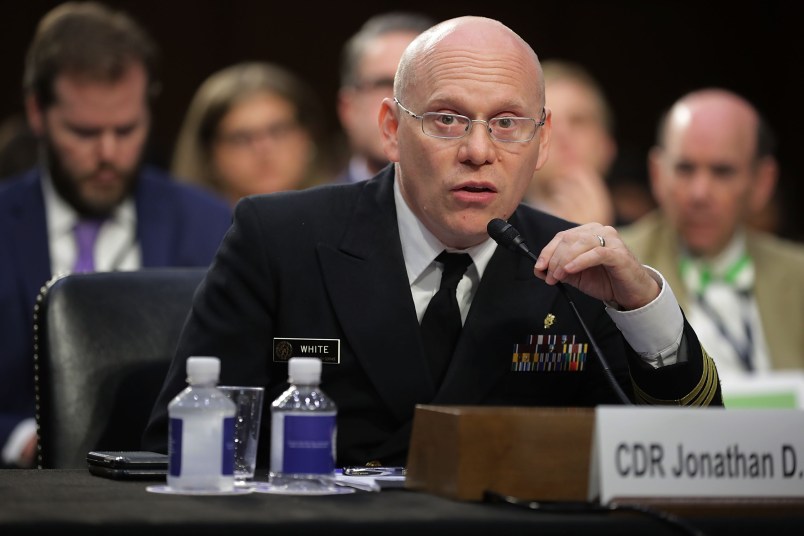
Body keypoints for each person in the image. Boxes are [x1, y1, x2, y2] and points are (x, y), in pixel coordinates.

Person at [143, 16, 722, 468]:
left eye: (507, 123)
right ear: (392, 129)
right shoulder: (279, 240)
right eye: (447, 119)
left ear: (542, 141)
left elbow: (691, 459)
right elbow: (180, 447)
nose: (478, 150)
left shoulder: (576, 267)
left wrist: (644, 308)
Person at [0, 1, 232, 468]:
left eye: (126, 129)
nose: (108, 153)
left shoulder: (209, 223)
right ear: (37, 112)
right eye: (84, 132)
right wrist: (20, 438)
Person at [620, 88, 804, 380]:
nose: (699, 193)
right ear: (657, 174)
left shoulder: (797, 274)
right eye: (685, 169)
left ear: (762, 182)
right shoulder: (619, 267)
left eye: (722, 171)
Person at [171, 62, 329, 206]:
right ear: (209, 154)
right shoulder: (188, 225)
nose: (264, 148)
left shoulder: (339, 215)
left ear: (306, 136)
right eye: (241, 138)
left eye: (278, 130)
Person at [524, 59, 654, 226]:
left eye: (578, 121)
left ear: (607, 146)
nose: (563, 134)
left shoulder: (642, 235)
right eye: (546, 123)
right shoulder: (494, 232)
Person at [333, 11, 435, 184]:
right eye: (384, 84)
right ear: (348, 109)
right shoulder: (316, 203)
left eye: (415, 83)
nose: (400, 100)